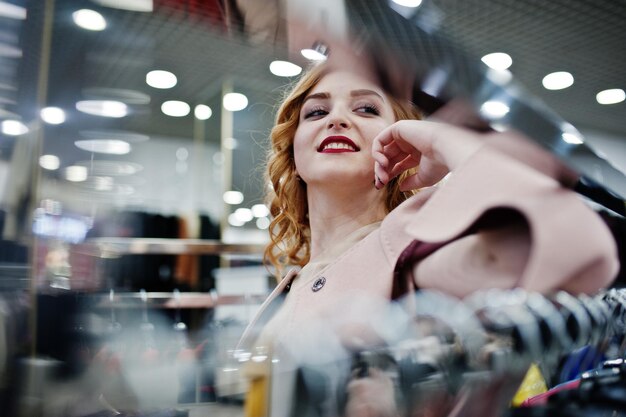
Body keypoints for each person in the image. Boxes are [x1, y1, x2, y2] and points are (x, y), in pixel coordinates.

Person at [238, 59, 619, 417]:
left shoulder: (408, 245)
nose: (336, 119)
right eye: (317, 112)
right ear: (293, 150)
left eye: (367, 109)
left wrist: (444, 141)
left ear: (399, 141)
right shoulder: (289, 285)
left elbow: (578, 244)